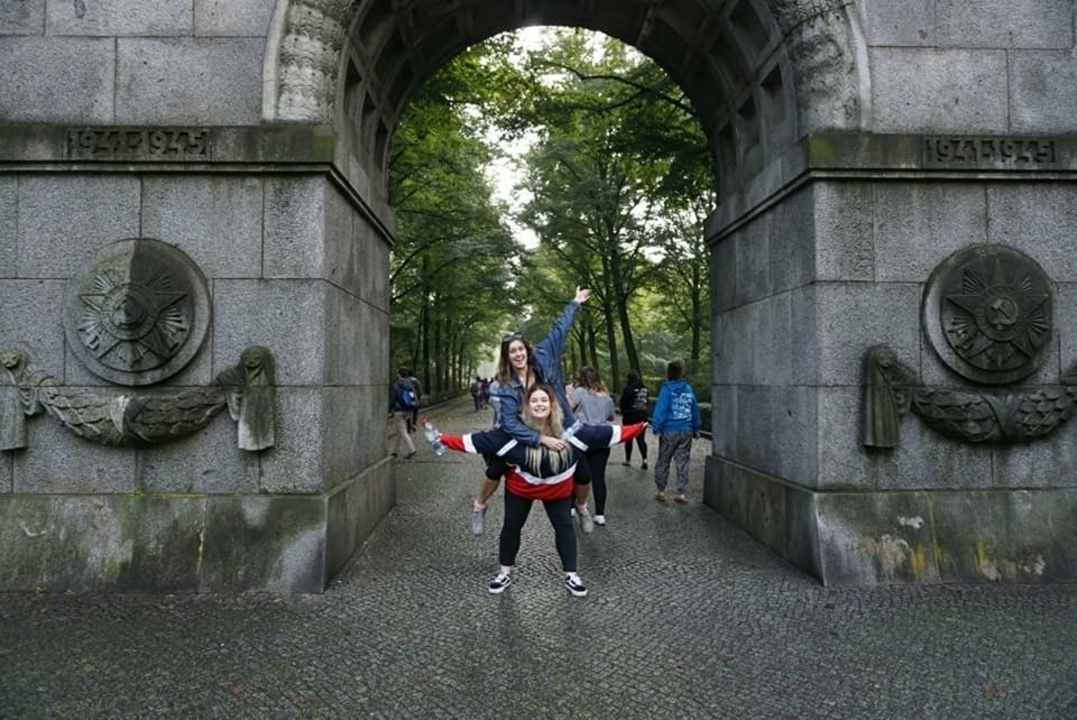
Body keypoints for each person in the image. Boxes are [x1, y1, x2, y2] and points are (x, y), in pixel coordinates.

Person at [438, 384, 647, 597]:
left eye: (544, 400)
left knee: (565, 526)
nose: (539, 404)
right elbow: (474, 441)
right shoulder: (510, 434)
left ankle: (572, 573)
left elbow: (606, 433)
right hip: (521, 489)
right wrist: (442, 438)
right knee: (511, 526)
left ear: (552, 404)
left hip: (557, 489)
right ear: (527, 406)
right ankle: (504, 571)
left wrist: (640, 427)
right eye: (534, 401)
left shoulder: (572, 432)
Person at [470, 287, 593, 536]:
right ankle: (479, 505)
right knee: (495, 468)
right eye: (511, 352)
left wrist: (574, 303)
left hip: (559, 425)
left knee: (583, 471)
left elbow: (560, 329)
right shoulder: (505, 385)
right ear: (507, 357)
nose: (518, 354)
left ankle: (581, 507)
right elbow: (508, 422)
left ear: (527, 349)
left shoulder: (545, 356)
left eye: (520, 349)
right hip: (522, 431)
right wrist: (539, 439)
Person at [568, 366, 616, 526]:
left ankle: (572, 506)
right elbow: (611, 417)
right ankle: (600, 514)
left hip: (582, 437)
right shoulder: (607, 397)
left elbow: (567, 408)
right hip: (602, 438)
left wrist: (568, 393)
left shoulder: (579, 392)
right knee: (598, 476)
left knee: (577, 473)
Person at [651, 360, 701, 503]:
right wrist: (696, 427)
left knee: (663, 460)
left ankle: (661, 491)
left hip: (669, 430)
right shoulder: (688, 389)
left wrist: (656, 427)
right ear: (681, 372)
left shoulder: (667, 389)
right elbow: (694, 409)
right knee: (683, 462)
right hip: (686, 431)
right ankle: (681, 493)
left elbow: (661, 409)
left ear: (668, 372)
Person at [618, 369, 650, 469]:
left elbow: (623, 403)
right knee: (641, 439)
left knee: (629, 438)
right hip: (643, 416)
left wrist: (623, 412)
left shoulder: (628, 389)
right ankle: (644, 460)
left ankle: (628, 460)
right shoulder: (645, 389)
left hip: (630, 417)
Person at [389, 368, 417, 459]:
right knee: (400, 430)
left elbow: (392, 399)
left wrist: (390, 410)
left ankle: (412, 449)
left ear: (399, 375)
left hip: (398, 411)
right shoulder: (410, 384)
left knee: (402, 431)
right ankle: (395, 451)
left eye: (397, 373)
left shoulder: (396, 385)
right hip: (408, 410)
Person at [403, 367, 422, 433]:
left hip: (408, 399)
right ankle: (414, 424)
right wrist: (419, 399)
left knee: (408, 413)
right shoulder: (416, 381)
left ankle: (408, 427)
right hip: (415, 399)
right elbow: (419, 391)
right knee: (415, 412)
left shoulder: (405, 381)